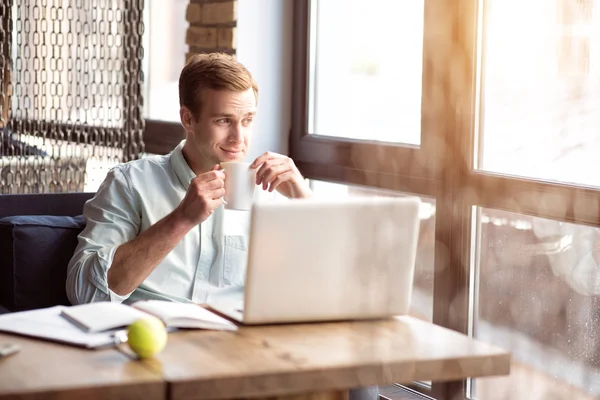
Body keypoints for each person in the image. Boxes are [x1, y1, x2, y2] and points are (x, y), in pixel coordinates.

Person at [65, 53, 378, 400]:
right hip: (158, 351)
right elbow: (85, 292)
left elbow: (345, 286)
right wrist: (180, 219)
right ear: (188, 118)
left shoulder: (269, 190)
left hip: (248, 351)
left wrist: (302, 197)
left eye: (247, 120)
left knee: (353, 371)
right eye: (223, 121)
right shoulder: (131, 182)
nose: (239, 139)